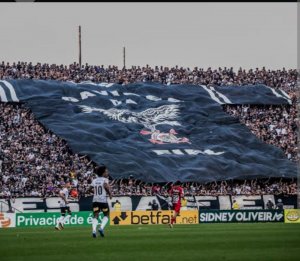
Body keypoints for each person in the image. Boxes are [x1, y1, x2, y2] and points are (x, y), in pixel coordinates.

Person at [91, 165, 112, 238]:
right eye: (106, 171)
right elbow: (105, 186)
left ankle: (94, 231)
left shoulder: (94, 180)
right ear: (103, 173)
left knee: (95, 215)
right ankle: (101, 228)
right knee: (106, 215)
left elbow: (89, 189)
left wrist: (94, 193)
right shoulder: (105, 179)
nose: (107, 173)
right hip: (103, 201)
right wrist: (109, 194)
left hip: (95, 200)